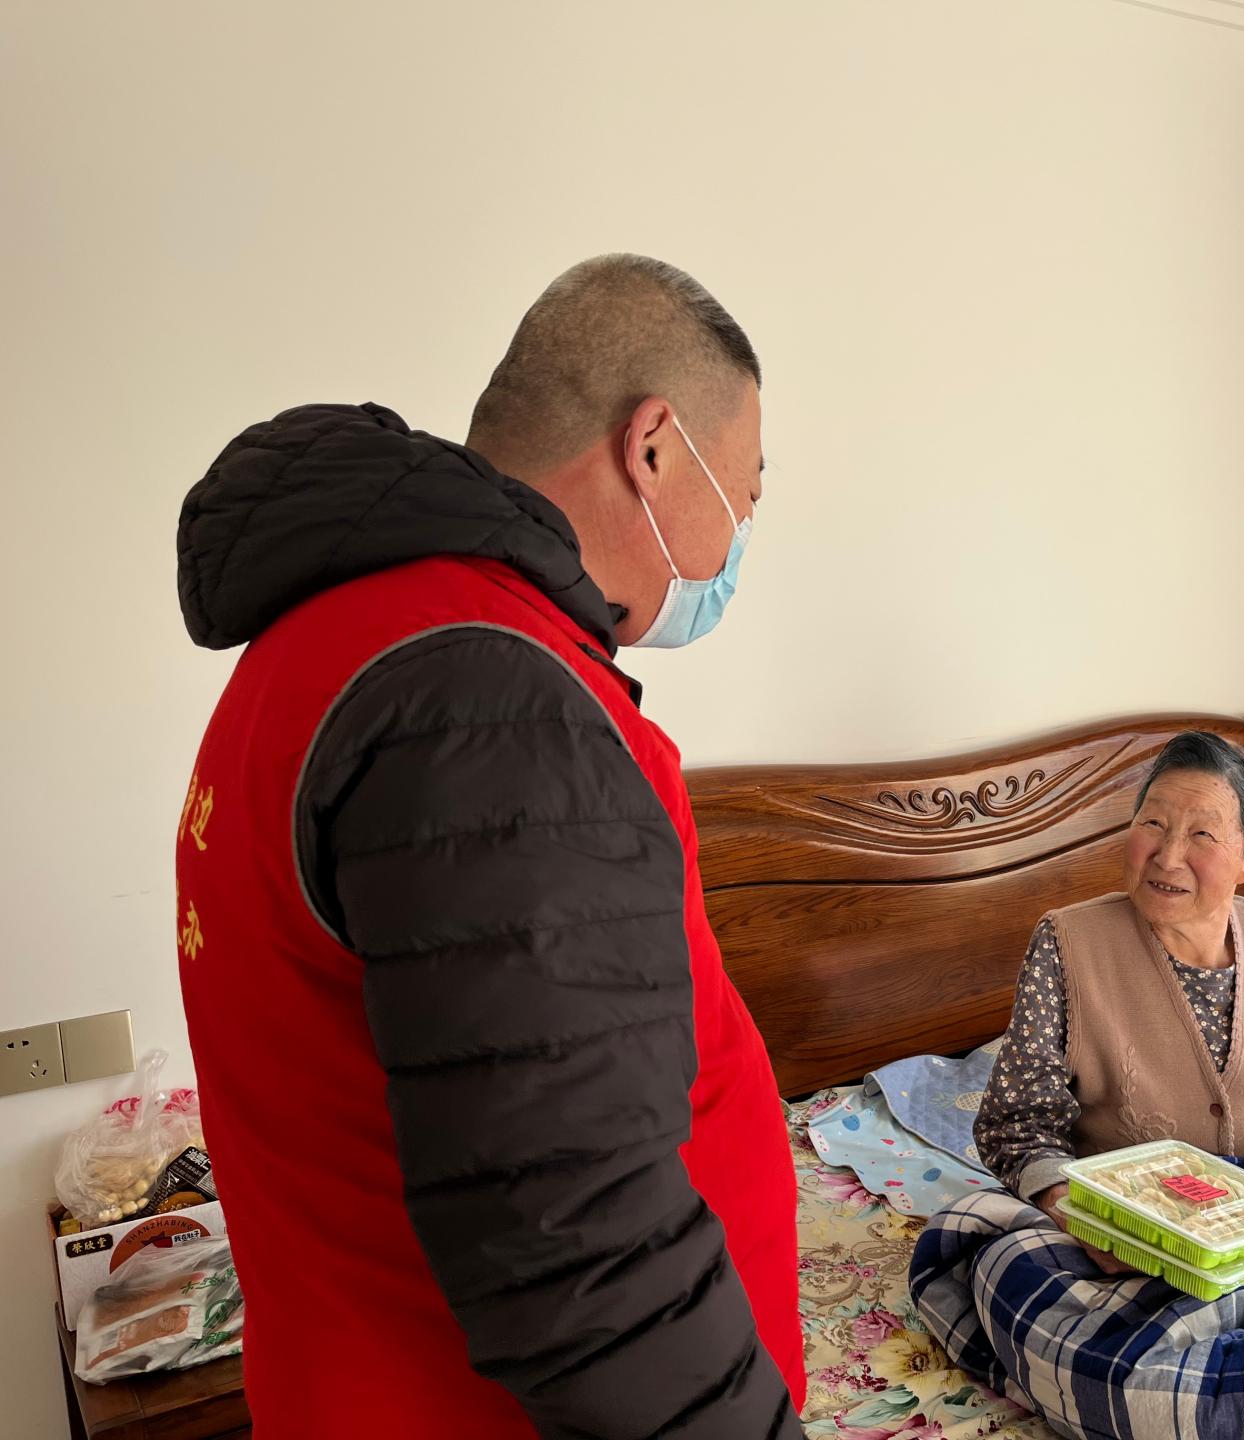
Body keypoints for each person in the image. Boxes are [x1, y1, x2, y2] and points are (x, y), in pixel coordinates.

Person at [173, 255, 802, 1437]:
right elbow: (581, 1243)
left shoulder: (360, 632)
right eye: (747, 494)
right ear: (653, 447)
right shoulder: (486, 704)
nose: (740, 539)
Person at [973, 731, 1244, 1276]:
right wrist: (1083, 1218)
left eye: (1202, 834)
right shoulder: (1066, 943)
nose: (1168, 856)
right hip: (1117, 1225)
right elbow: (1015, 1124)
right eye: (1152, 823)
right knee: (995, 1259)